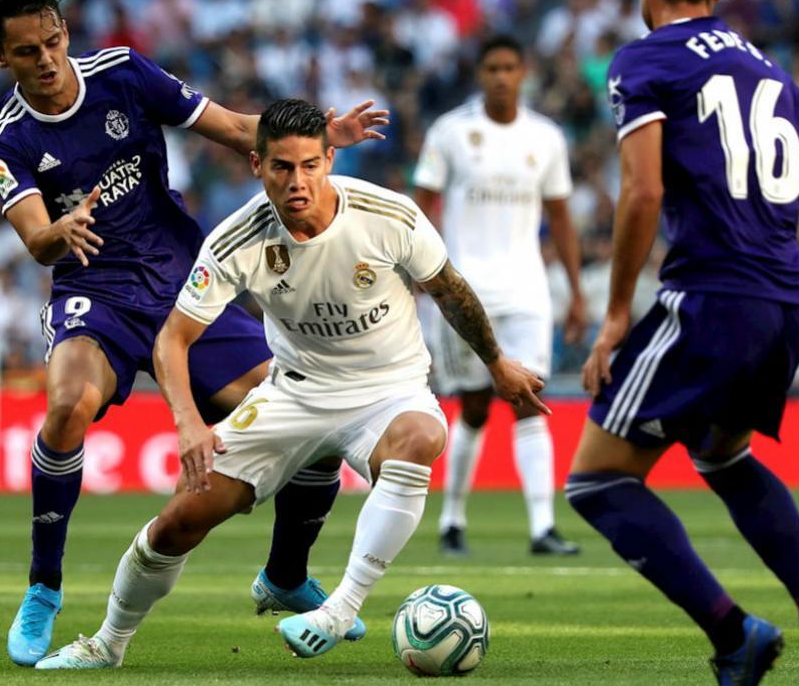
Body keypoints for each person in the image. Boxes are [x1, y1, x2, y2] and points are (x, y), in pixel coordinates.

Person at [33, 99, 547, 669]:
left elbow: (450, 289)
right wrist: (190, 424)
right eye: (282, 167)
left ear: (330, 159)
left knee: (422, 438)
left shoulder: (388, 214)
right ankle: (107, 643)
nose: (297, 182)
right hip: (294, 393)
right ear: (257, 165)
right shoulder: (237, 239)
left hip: (388, 388)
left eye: (308, 165)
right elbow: (172, 339)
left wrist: (497, 365)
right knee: (181, 521)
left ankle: (341, 609)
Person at [0, 0, 388, 666]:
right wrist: (60, 230)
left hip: (182, 280)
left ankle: (285, 574)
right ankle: (44, 586)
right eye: (27, 51)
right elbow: (35, 239)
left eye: (52, 42)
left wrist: (315, 136)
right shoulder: (4, 137)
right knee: (67, 406)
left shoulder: (125, 75)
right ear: (0, 56)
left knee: (310, 415)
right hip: (95, 288)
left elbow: (230, 127)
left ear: (65, 31)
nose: (46, 59)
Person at [569, 0, 799, 685]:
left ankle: (735, 633)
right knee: (721, 456)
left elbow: (642, 192)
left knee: (597, 481)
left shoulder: (645, 61)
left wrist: (615, 314)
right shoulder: (770, 70)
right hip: (788, 301)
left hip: (712, 295)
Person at [413, 34, 586, 557]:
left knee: (531, 403)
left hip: (528, 289)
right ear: (479, 74)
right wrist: (420, 271)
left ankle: (542, 527)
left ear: (524, 71)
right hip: (465, 292)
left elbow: (560, 218)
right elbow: (422, 206)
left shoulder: (547, 138)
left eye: (510, 67)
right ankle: (452, 520)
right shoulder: (450, 132)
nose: (501, 77)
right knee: (473, 407)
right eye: (492, 68)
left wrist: (577, 292)